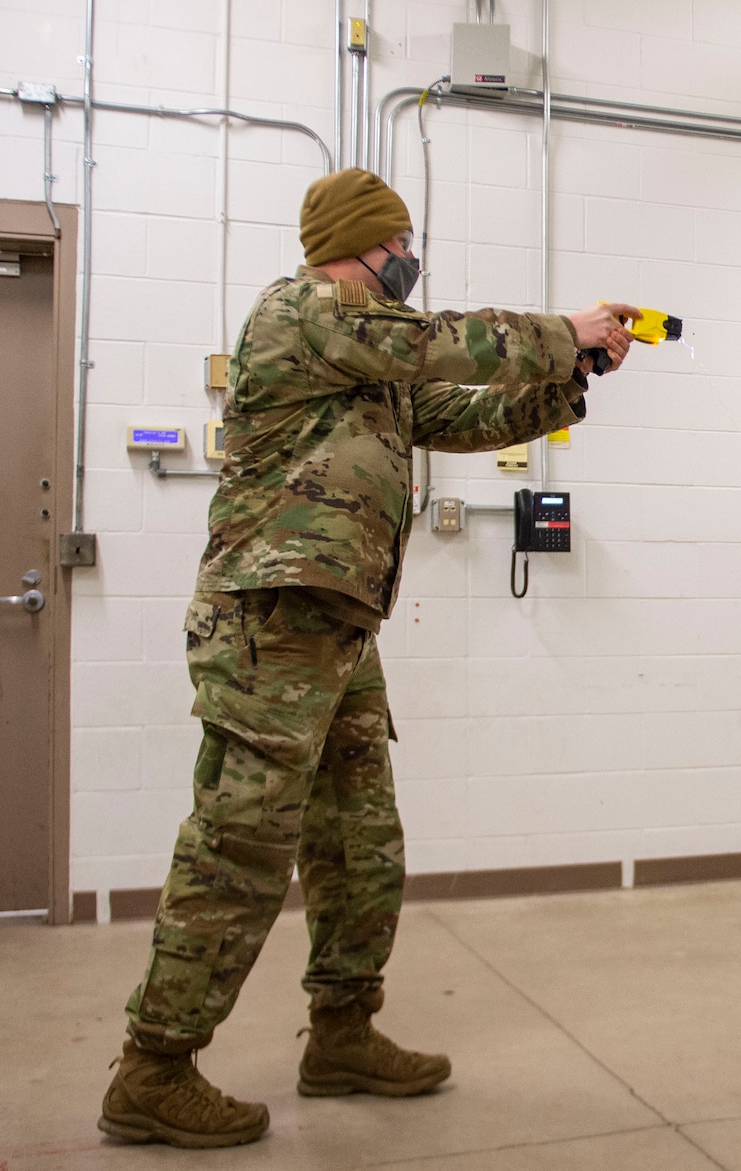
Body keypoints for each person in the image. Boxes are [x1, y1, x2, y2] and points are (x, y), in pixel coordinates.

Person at [98, 168, 639, 1148]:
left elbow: (464, 416)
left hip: (336, 626)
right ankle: (153, 1065)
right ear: (368, 241)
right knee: (241, 841)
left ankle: (343, 1034)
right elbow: (439, 345)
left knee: (357, 837)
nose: (409, 255)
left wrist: (571, 379)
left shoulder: (366, 362)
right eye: (401, 240)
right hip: (271, 618)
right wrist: (562, 328)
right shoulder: (305, 312)